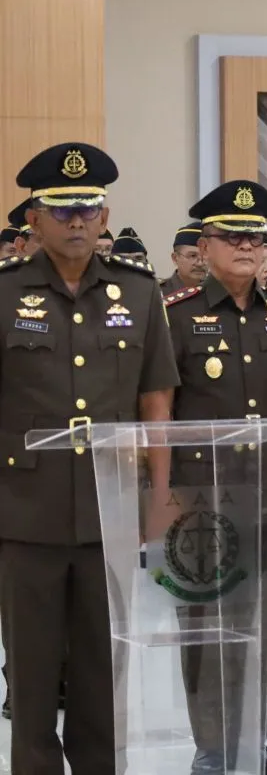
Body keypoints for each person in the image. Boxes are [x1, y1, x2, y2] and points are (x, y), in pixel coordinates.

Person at [0, 142, 178, 773]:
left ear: (104, 217)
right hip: (25, 510)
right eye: (62, 209)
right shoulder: (4, 292)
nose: (77, 220)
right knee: (31, 670)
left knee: (104, 664)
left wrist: (160, 494)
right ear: (34, 218)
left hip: (111, 506)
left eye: (88, 208)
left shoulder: (139, 292)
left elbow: (156, 399)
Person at [165, 179, 267, 775]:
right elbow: (158, 411)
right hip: (199, 492)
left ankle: (253, 736)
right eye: (233, 237)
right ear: (204, 245)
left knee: (261, 620)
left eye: (255, 237)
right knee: (204, 619)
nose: (247, 247)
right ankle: (211, 742)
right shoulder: (174, 314)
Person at [161, 222, 207, 293]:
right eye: (193, 256)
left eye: (204, 255)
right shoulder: (158, 293)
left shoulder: (216, 292)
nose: (200, 263)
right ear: (175, 258)